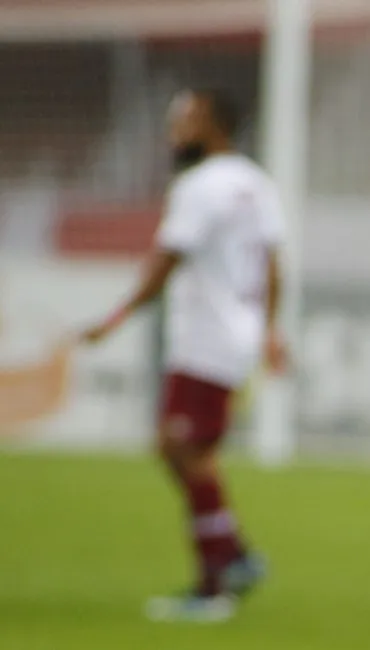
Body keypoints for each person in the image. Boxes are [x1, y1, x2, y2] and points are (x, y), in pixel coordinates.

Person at [81, 88, 287, 622]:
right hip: (236, 333)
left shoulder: (198, 187)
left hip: (204, 337)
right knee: (181, 447)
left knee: (182, 447)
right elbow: (271, 263)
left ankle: (215, 585)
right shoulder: (254, 182)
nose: (175, 133)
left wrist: (115, 317)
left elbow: (166, 260)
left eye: (185, 121)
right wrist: (268, 329)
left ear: (214, 125)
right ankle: (234, 554)